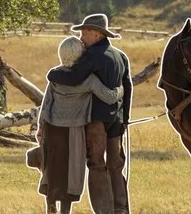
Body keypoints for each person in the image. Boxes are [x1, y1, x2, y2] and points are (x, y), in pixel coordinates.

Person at [47, 14, 133, 214]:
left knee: (96, 164)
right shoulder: (121, 56)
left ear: (96, 34)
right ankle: (120, 209)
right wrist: (126, 119)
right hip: (117, 120)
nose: (80, 37)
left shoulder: (91, 55)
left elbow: (74, 78)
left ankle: (104, 211)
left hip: (97, 121)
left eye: (84, 32)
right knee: (116, 165)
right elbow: (128, 88)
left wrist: (51, 73)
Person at [31, 36, 124, 214]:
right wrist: (121, 89)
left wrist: (41, 127)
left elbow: (46, 103)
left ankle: (50, 206)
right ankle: (65, 210)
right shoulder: (88, 79)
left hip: (52, 127)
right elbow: (110, 97)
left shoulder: (55, 75)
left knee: (52, 167)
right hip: (75, 130)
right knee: (72, 170)